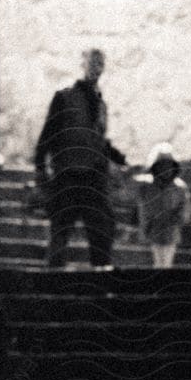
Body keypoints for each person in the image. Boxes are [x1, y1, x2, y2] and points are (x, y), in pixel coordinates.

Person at [34, 49, 128, 270]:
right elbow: (49, 132)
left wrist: (117, 157)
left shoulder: (101, 105)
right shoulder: (64, 97)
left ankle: (102, 283)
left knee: (102, 232)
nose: (96, 67)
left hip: (94, 177)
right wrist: (40, 167)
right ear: (83, 64)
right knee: (60, 230)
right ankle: (54, 284)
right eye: (92, 62)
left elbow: (97, 139)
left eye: (100, 63)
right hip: (68, 174)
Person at [137, 145, 191, 268]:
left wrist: (178, 218)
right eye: (161, 166)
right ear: (155, 167)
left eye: (168, 166)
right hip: (155, 228)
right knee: (157, 260)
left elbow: (184, 207)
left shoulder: (179, 187)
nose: (165, 170)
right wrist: (146, 226)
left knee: (167, 261)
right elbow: (144, 208)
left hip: (171, 228)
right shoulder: (148, 187)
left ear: (174, 168)